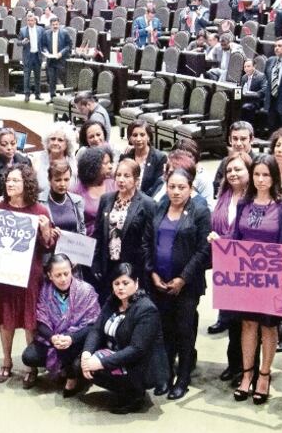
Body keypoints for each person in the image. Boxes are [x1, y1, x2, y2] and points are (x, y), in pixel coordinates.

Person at [220, 155, 282, 404]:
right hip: (247, 276)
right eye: (257, 174)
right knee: (248, 324)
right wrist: (220, 244)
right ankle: (247, 374)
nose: (261, 179)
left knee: (268, 326)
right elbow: (235, 235)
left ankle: (264, 375)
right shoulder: (245, 202)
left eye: (266, 175)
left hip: (272, 278)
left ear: (274, 177)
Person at [0, 164, 53, 384]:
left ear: (27, 184)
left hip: (30, 273)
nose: (10, 184)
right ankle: (6, 361)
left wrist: (45, 231)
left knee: (30, 321)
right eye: (8, 180)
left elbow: (48, 246)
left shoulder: (40, 211)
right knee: (6, 320)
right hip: (3, 274)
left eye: (15, 180)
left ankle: (30, 365)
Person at [151, 167, 210, 399]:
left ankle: (183, 377)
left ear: (190, 188)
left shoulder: (200, 211)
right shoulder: (161, 206)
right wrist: (153, 273)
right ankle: (165, 374)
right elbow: (150, 240)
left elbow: (203, 249)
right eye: (172, 187)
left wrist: (183, 278)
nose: (176, 192)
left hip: (187, 284)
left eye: (181, 187)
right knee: (165, 330)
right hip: (160, 282)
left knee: (184, 330)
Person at [81, 263, 166, 414]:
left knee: (95, 368)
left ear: (136, 283)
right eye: (116, 283)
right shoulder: (113, 300)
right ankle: (124, 390)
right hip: (119, 354)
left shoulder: (146, 309)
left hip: (141, 365)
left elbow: (137, 350)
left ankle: (135, 395)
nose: (120, 288)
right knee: (80, 364)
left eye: (126, 283)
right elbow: (97, 329)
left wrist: (101, 362)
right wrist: (87, 354)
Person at [22, 254, 100, 394]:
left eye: (66, 273)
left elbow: (94, 325)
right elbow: (40, 321)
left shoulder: (86, 291)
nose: (63, 279)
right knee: (29, 357)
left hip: (78, 342)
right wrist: (52, 337)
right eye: (58, 275)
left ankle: (73, 376)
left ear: (72, 270)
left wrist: (71, 338)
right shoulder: (44, 291)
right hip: (54, 341)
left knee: (77, 365)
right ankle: (64, 369)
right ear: (49, 275)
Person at [209, 151, 252, 381]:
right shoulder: (224, 193)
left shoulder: (255, 198)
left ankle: (247, 368)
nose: (233, 174)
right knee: (232, 320)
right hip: (225, 265)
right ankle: (234, 364)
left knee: (247, 322)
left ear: (249, 171)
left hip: (247, 267)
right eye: (229, 170)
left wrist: (223, 241)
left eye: (238, 169)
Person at [93, 158, 156, 300]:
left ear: (136, 179)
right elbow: (98, 234)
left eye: (126, 176)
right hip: (108, 266)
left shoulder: (148, 204)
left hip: (133, 267)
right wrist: (96, 263)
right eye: (118, 175)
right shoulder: (106, 199)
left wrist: (146, 271)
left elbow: (150, 242)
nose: (121, 180)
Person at [72, 145, 116, 238]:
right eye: (106, 163)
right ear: (93, 166)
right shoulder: (76, 191)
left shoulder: (114, 186)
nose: (110, 166)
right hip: (87, 242)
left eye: (110, 162)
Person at [40, 158, 86, 237]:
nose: (62, 184)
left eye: (66, 180)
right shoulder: (39, 201)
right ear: (49, 180)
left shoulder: (77, 201)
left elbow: (82, 229)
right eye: (58, 180)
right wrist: (47, 232)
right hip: (49, 247)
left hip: (72, 247)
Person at [122, 121, 167, 197]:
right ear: (130, 138)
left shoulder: (159, 158)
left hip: (148, 201)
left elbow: (157, 186)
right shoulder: (125, 157)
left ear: (148, 137)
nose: (138, 139)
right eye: (135, 135)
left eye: (142, 135)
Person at [0, 127, 32, 195]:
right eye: (4, 144)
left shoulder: (26, 161)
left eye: (13, 143)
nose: (9, 148)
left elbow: (30, 189)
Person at [35, 123, 77, 198]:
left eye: (60, 140)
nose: (55, 143)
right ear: (47, 141)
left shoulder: (73, 162)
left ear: (67, 143)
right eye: (52, 139)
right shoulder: (37, 159)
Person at [43, 17, 72, 99]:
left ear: (59, 24)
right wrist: (46, 52)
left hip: (61, 59)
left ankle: (68, 97)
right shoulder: (46, 33)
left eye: (56, 24)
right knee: (52, 80)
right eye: (53, 25)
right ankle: (53, 97)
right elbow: (44, 45)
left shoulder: (64, 33)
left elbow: (69, 45)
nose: (55, 26)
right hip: (51, 60)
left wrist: (61, 53)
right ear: (50, 25)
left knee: (64, 79)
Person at [19, 13, 45, 102]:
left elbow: (43, 42)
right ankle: (27, 95)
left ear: (35, 21)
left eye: (32, 20)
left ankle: (37, 94)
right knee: (27, 77)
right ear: (27, 21)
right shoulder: (22, 30)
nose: (30, 22)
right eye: (28, 20)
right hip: (28, 56)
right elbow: (18, 43)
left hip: (37, 56)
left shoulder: (41, 29)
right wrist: (22, 42)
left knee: (38, 77)